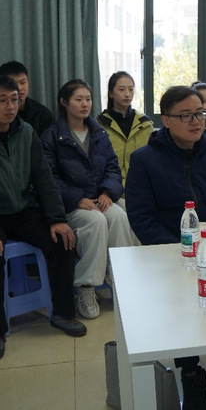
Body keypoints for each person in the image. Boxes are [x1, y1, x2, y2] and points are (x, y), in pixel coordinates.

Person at [125, 86, 206, 410]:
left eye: (201, 113)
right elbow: (142, 218)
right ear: (165, 120)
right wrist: (181, 252)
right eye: (186, 115)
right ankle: (191, 372)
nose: (196, 121)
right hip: (169, 253)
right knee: (179, 309)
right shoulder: (144, 160)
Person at [0, 75, 86, 362]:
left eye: (14, 99)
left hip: (22, 210)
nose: (10, 106)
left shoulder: (26, 132)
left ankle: (63, 313)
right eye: (2, 101)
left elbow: (44, 179)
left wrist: (57, 218)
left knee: (63, 241)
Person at [41, 79, 137, 320]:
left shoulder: (99, 133)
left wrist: (107, 193)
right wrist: (76, 199)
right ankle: (86, 287)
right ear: (64, 102)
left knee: (120, 217)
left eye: (88, 99)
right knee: (96, 222)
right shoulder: (52, 137)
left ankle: (121, 280)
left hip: (98, 198)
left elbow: (113, 168)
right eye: (78, 99)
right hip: (69, 205)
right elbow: (49, 178)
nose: (85, 104)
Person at [97, 71, 154, 188]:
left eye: (131, 89)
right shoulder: (100, 125)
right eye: (121, 89)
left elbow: (152, 161)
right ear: (111, 93)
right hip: (110, 189)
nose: (127, 94)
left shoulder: (145, 124)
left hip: (141, 187)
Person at [0, 60, 54, 136]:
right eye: (13, 83)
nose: (19, 88)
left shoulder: (42, 113)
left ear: (28, 82)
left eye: (23, 82)